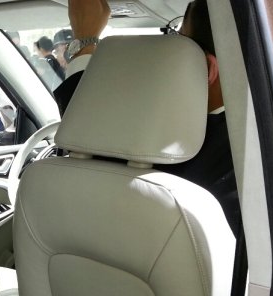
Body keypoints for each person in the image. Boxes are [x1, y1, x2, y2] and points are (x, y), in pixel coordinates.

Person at [55, 0, 240, 236]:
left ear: (207, 68)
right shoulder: (249, 150)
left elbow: (84, 135)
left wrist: (85, 41)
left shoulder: (164, 140)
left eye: (178, 41)